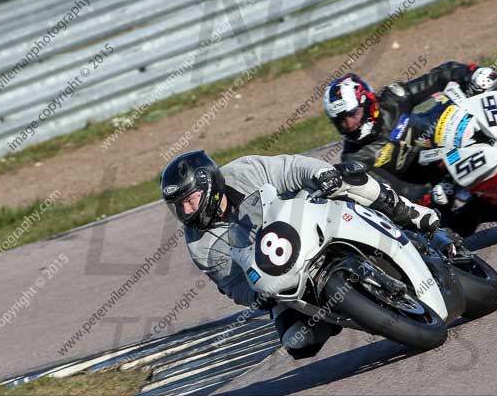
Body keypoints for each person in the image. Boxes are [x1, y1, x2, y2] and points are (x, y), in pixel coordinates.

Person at [160, 150, 440, 359]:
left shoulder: (244, 171)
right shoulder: (200, 245)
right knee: (298, 342)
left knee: (344, 175)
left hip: (306, 215)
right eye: (178, 207)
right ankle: (340, 312)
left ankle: (407, 212)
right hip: (281, 274)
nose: (185, 212)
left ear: (206, 186)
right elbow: (232, 285)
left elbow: (291, 168)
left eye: (188, 201)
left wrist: (320, 174)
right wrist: (257, 298)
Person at [322, 63, 497, 232]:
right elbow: (389, 190)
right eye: (341, 121)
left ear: (367, 102)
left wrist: (469, 75)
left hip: (443, 128)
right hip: (436, 180)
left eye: (352, 114)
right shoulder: (355, 158)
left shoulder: (391, 99)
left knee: (490, 83)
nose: (348, 124)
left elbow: (437, 77)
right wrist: (425, 195)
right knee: (454, 223)